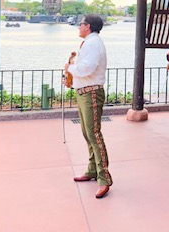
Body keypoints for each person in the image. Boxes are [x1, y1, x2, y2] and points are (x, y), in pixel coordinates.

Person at [65, 14, 112, 199]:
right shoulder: (90, 42)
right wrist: (72, 75)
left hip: (91, 92)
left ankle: (104, 178)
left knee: (94, 134)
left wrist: (70, 69)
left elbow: (87, 68)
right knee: (88, 133)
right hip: (84, 91)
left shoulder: (93, 44)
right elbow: (83, 69)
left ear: (88, 26)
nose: (78, 26)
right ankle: (93, 170)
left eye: (81, 24)